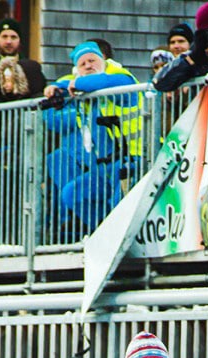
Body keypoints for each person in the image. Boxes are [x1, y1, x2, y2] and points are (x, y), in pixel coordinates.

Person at [41, 42, 142, 235]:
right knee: (72, 193)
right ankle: (103, 235)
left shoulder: (121, 77)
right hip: (103, 169)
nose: (88, 65)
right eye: (83, 64)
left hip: (133, 163)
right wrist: (57, 86)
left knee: (118, 203)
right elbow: (66, 85)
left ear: (103, 60)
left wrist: (74, 84)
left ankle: (119, 239)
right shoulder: (81, 88)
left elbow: (102, 82)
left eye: (92, 60)